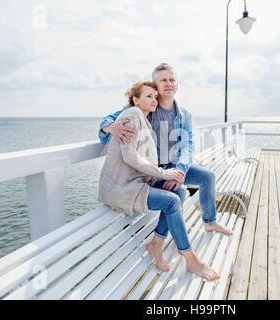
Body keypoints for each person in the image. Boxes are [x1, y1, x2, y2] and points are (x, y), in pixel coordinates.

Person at [99, 80, 220, 281]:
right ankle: (190, 259)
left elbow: (186, 146)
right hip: (121, 187)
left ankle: (156, 243)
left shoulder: (144, 118)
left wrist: (174, 171)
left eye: (155, 97)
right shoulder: (131, 114)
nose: (154, 100)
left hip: (138, 181)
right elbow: (130, 156)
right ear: (136, 100)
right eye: (149, 96)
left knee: (180, 191)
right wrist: (165, 174)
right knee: (172, 201)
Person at [99, 63, 233, 240]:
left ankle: (210, 222)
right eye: (163, 80)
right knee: (177, 195)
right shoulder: (146, 107)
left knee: (207, 177)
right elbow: (110, 119)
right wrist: (109, 127)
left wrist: (180, 171)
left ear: (177, 85)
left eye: (172, 80)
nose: (168, 83)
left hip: (173, 165)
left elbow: (188, 146)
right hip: (151, 169)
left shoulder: (184, 115)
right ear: (156, 86)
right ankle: (158, 240)